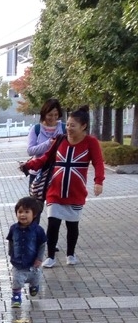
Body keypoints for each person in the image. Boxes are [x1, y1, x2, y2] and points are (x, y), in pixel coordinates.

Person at [22, 105, 105, 267]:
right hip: (55, 190)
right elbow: (45, 158)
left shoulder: (91, 142)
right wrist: (29, 165)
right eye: (67, 124)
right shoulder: (60, 140)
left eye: (72, 125)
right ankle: (51, 256)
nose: (68, 128)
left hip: (76, 191)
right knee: (53, 223)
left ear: (83, 126)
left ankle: (71, 253)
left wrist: (98, 181)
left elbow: (98, 163)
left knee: (72, 225)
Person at [7, 197, 47, 307]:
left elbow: (42, 245)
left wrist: (39, 258)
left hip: (33, 263)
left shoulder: (38, 230)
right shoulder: (13, 229)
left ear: (34, 214)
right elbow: (11, 240)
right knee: (16, 281)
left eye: (26, 212)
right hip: (18, 262)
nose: (22, 215)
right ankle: (16, 298)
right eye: (20, 212)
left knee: (35, 278)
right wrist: (11, 253)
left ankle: (34, 286)